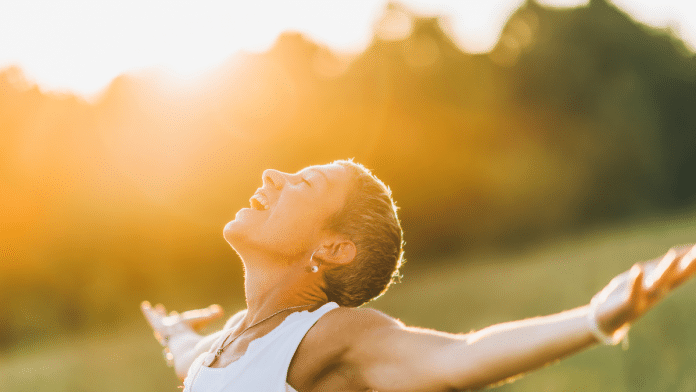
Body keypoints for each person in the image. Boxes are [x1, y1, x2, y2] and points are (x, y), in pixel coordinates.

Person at [141, 159, 696, 391]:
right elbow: (191, 359)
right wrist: (173, 331)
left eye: (302, 185)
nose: (272, 174)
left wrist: (595, 319)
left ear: (333, 247)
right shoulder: (232, 339)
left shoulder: (330, 335)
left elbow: (460, 357)